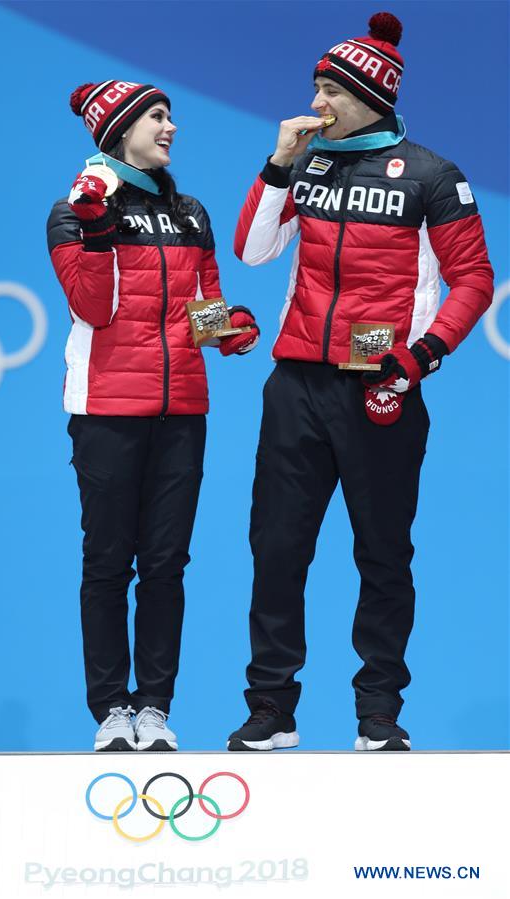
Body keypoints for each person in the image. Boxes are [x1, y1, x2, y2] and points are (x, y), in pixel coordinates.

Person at [227, 12, 494, 751]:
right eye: (313, 85)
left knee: (382, 552)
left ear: (367, 96)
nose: (315, 102)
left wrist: (420, 355)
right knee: (276, 548)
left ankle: (378, 710)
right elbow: (250, 251)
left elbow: (473, 279)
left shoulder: (434, 175)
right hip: (296, 387)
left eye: (327, 90)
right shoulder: (306, 164)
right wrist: (277, 163)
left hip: (381, 384)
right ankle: (271, 708)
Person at [46, 80, 259, 752]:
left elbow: (203, 302)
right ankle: (111, 709)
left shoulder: (190, 211)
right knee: (108, 561)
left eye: (171, 116)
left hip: (183, 410)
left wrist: (225, 329)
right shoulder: (69, 211)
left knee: (166, 563)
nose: (172, 127)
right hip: (106, 409)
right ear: (119, 128)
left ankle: (155, 708)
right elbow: (96, 309)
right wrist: (100, 226)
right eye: (158, 117)